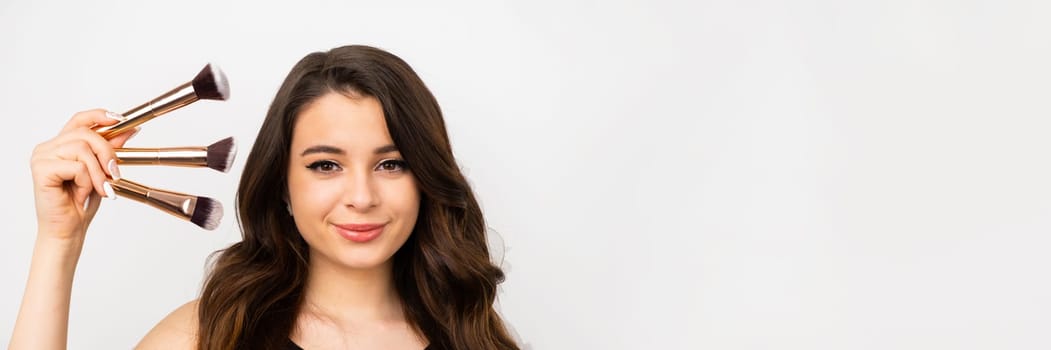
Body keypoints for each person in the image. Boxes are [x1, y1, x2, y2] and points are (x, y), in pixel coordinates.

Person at [11, 45, 519, 350]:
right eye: (326, 165)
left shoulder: (474, 337)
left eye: (392, 164)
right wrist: (59, 240)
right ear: (282, 185)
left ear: (426, 178)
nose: (361, 197)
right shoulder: (211, 334)